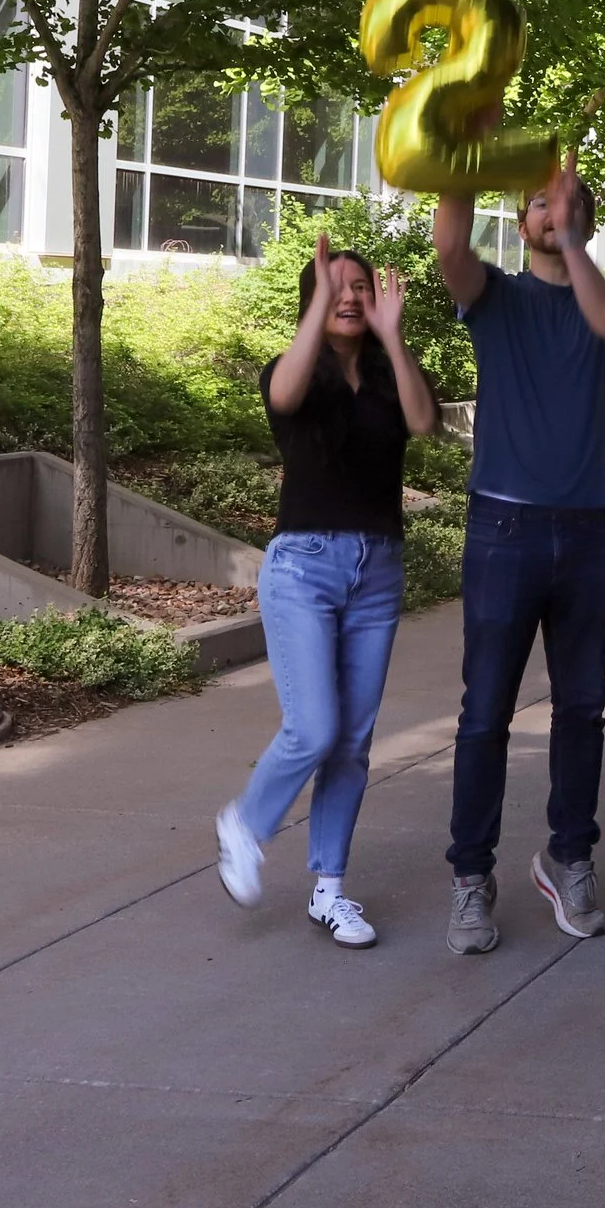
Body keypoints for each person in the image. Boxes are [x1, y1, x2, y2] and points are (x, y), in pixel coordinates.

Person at [431, 147, 605, 955]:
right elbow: (450, 250)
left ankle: (570, 857)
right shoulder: (497, 298)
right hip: (503, 531)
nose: (552, 213)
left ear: (586, 219)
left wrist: (574, 234)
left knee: (583, 709)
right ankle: (469, 879)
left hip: (588, 531)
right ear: (520, 224)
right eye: (538, 206)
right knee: (484, 713)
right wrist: (458, 151)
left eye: (568, 203)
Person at [216, 234, 440, 946]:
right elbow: (281, 391)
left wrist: (394, 338)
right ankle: (246, 824)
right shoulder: (294, 374)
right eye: (334, 286)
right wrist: (316, 305)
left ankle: (330, 889)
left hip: (378, 569)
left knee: (351, 741)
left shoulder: (384, 374)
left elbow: (423, 422)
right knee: (312, 727)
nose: (349, 295)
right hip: (303, 568)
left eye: (360, 286)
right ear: (315, 299)